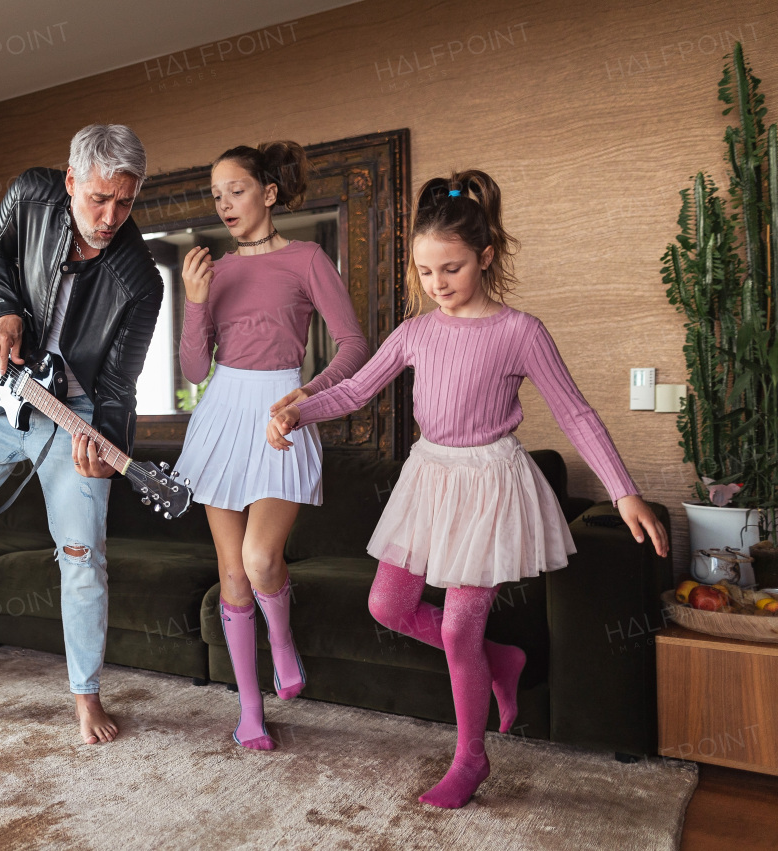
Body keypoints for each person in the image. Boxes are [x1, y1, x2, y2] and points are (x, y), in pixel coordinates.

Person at [267, 170, 669, 806]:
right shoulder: (416, 332)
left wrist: (623, 492)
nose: (438, 286)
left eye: (450, 269)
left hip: (490, 485)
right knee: (387, 607)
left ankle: (471, 758)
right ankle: (502, 661)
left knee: (458, 630)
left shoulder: (520, 332)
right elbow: (353, 390)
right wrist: (299, 407)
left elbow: (576, 414)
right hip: (429, 478)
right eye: (426, 273)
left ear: (485, 257)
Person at [0, 125, 163, 744]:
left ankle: (86, 694)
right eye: (98, 199)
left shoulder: (142, 280)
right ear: (69, 181)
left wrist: (108, 447)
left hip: (74, 407)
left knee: (82, 554)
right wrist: (4, 307)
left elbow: (118, 384)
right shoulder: (31, 194)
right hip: (3, 384)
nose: (110, 217)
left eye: (125, 202)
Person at [176, 142, 370, 750]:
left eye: (235, 189)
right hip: (220, 414)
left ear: (269, 193)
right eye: (216, 195)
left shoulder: (308, 259)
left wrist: (305, 398)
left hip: (282, 408)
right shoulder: (216, 271)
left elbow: (354, 348)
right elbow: (190, 371)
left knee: (262, 562)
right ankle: (251, 712)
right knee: (232, 574)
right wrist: (194, 302)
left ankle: (282, 641)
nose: (224, 204)